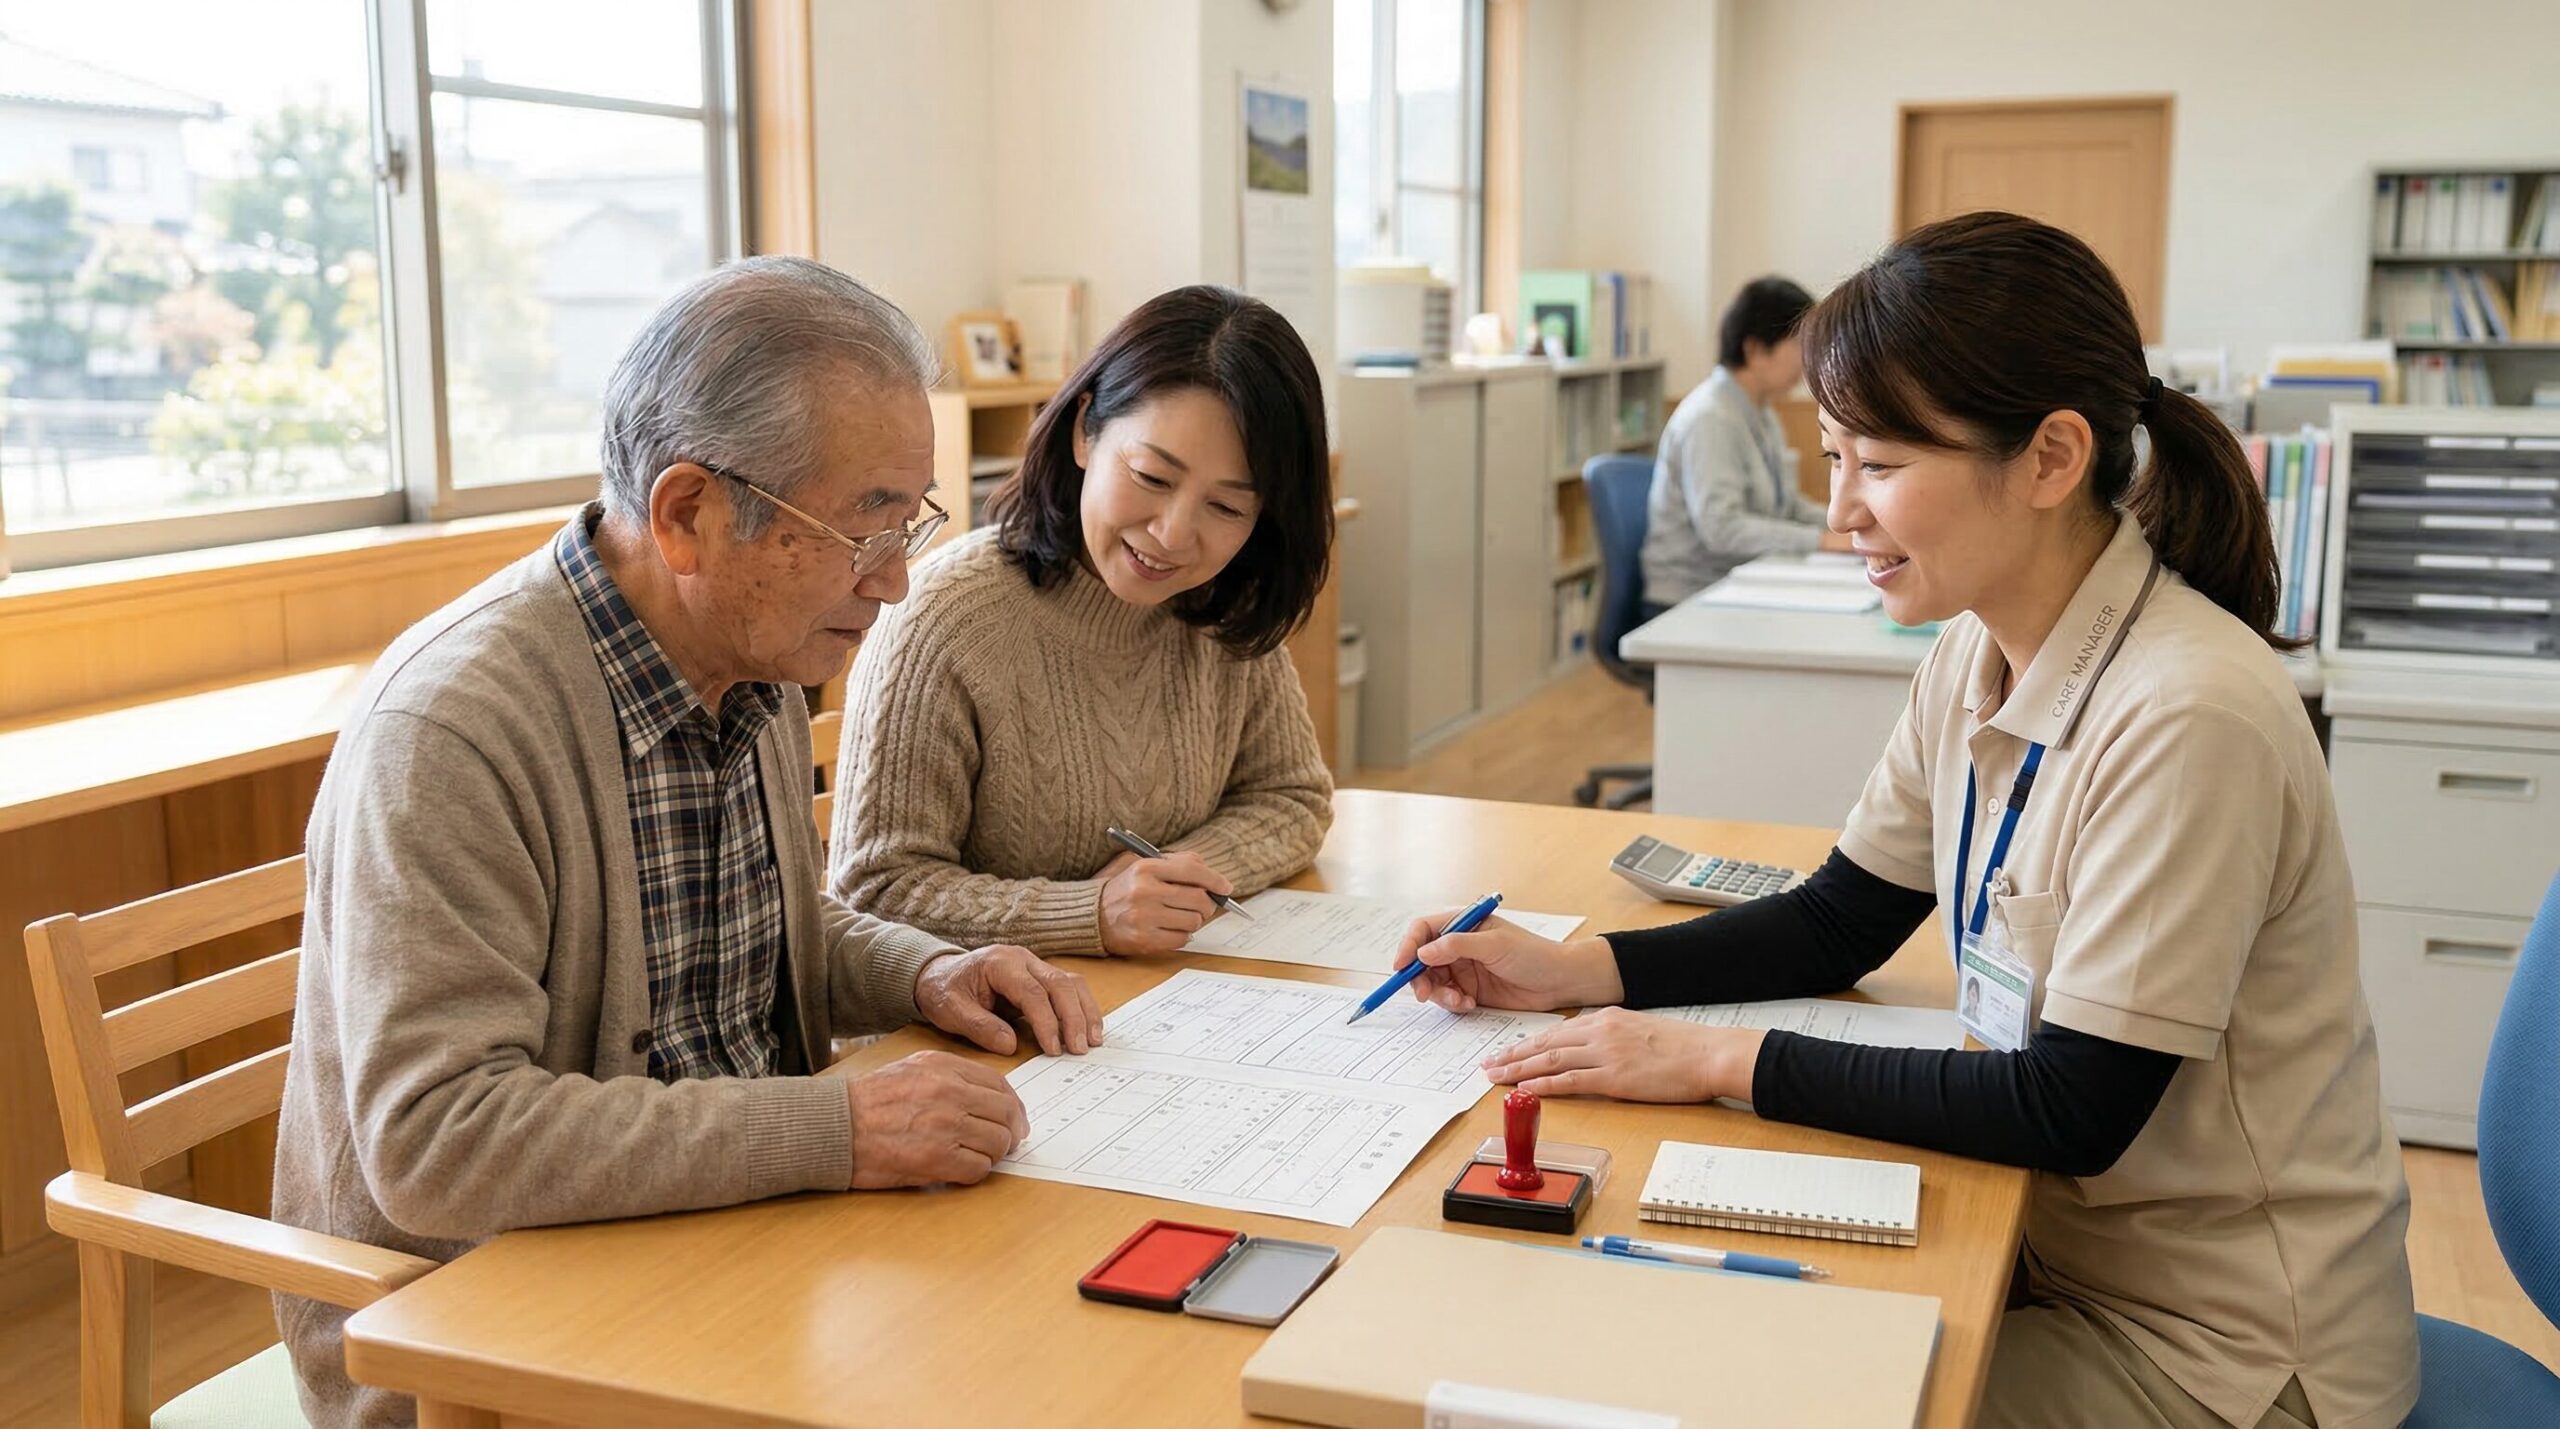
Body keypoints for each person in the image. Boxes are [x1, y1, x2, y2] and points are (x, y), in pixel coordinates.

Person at [1393, 213, 2418, 1429]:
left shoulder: (2189, 714)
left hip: (2223, 1348)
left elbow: (2073, 1107)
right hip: (2060, 1253)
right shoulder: (1976, 645)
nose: (1840, 514)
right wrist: (1573, 971)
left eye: (1876, 465)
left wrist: (1712, 1060)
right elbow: (1842, 919)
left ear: (2048, 458)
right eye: (1829, 458)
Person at [273, 257, 1102, 1429]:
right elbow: (437, 1143)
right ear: (688, 514)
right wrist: (839, 1127)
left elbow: (765, 938)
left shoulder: (751, 658)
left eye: (908, 519)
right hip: (484, 1333)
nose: (899, 580)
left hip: (731, 1238)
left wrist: (927, 968)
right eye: (864, 524)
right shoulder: (454, 728)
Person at [829, 285, 1334, 956]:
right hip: (967, 1035)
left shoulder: (1222, 605)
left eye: (1227, 508)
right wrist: (1089, 912)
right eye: (1153, 477)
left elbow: (1292, 796)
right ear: (1084, 430)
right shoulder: (949, 618)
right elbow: (873, 889)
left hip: (1152, 1004)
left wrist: (1171, 882)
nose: (1172, 534)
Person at [1639, 276, 1850, 612]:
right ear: (1754, 350)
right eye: (1798, 343)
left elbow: (1787, 507)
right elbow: (1722, 528)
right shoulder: (1709, 418)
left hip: (1742, 582)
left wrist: (1849, 526)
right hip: (1689, 598)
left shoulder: (1761, 413)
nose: (1807, 358)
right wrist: (1823, 541)